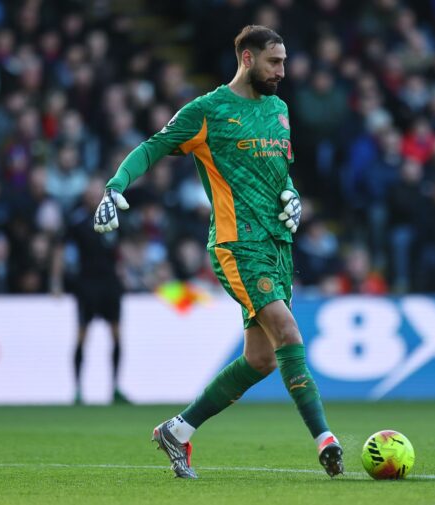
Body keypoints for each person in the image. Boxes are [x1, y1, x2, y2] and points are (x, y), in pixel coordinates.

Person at [93, 25, 343, 479]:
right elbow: (153, 147)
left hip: (277, 247)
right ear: (247, 59)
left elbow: (277, 171)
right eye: (274, 62)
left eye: (284, 61)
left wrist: (292, 196)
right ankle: (325, 439)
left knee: (261, 359)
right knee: (287, 332)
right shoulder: (207, 111)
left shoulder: (279, 110)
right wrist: (115, 186)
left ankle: (179, 430)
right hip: (236, 244)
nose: (282, 71)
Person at [67, 178, 128, 405]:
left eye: (97, 193)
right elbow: (62, 249)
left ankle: (115, 388)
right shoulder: (77, 222)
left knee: (116, 335)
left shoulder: (115, 218)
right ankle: (77, 389)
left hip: (111, 285)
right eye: (90, 193)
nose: (94, 197)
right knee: (82, 335)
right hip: (86, 285)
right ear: (85, 196)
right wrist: (56, 281)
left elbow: (122, 250)